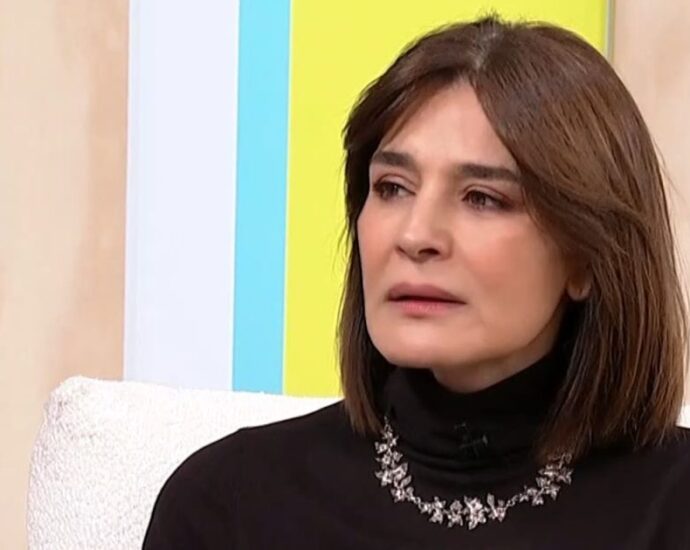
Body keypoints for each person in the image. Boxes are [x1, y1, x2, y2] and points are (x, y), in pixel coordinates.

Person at [142, 15, 690, 549]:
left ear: (586, 258)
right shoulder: (228, 503)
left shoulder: (672, 505)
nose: (415, 235)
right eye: (393, 188)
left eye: (482, 198)